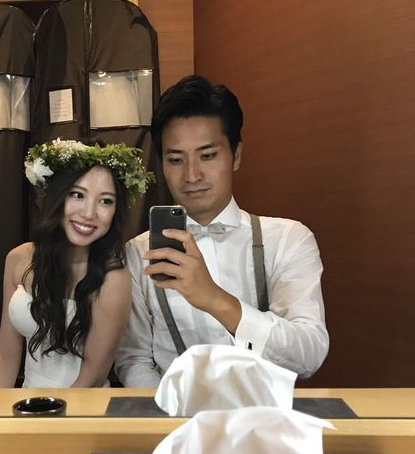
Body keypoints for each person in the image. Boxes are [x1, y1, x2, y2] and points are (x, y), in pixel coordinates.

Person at [115, 76, 329, 386]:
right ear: (162, 165)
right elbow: (133, 360)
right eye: (176, 159)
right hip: (172, 412)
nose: (192, 175)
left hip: (264, 411)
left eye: (207, 155)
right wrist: (170, 409)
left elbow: (309, 355)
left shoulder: (288, 239)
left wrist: (215, 299)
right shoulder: (138, 253)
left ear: (236, 155)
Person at [0, 139, 153, 388]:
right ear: (57, 196)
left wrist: (49, 413)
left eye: (105, 201)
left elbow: (92, 377)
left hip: (84, 405)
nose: (89, 213)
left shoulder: (114, 279)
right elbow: (5, 357)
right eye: (77, 195)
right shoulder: (18, 259)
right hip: (26, 403)